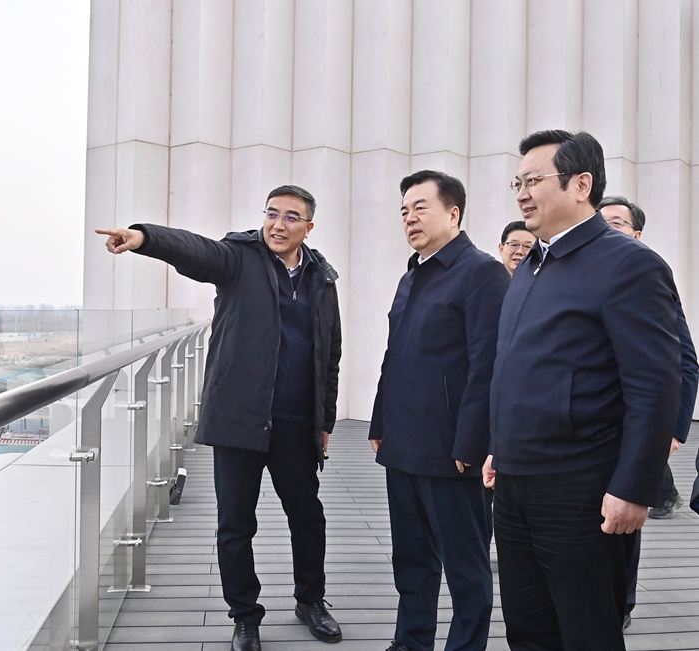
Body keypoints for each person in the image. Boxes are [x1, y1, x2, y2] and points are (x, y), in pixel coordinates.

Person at [95, 185, 342, 651]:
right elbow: (195, 250)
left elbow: (330, 355)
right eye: (272, 213)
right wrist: (145, 238)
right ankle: (245, 616)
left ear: (308, 227)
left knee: (308, 517)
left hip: (295, 423)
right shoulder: (238, 258)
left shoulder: (322, 279)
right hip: (239, 420)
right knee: (235, 525)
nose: (278, 224)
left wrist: (324, 420)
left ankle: (311, 601)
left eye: (291, 217)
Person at [484, 130, 682, 651]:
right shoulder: (531, 266)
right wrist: (499, 446)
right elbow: (515, 371)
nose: (522, 193)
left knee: (587, 632)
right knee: (528, 630)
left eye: (533, 180)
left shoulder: (628, 264)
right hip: (514, 484)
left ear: (581, 184)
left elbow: (654, 387)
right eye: (517, 183)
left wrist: (634, 487)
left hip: (581, 489)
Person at [369, 170, 509, 651]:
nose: (409, 218)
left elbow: (488, 365)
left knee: (465, 569)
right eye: (404, 210)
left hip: (452, 451)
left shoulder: (482, 272)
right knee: (411, 561)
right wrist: (380, 420)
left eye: (420, 207)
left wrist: (471, 442)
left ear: (453, 213)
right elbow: (394, 356)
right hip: (402, 445)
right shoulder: (411, 275)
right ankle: (411, 642)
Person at [597, 195, 699, 628]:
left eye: (618, 223)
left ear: (637, 234)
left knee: (623, 526)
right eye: (602, 221)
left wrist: (673, 431)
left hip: (629, 430)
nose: (608, 228)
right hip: (577, 434)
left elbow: (685, 361)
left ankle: (622, 604)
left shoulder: (646, 273)